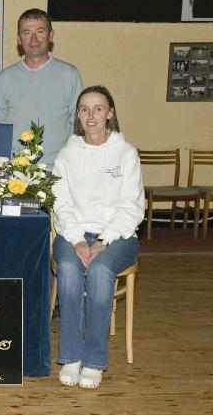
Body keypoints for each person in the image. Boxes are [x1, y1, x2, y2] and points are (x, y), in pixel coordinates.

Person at [52, 85, 144, 389]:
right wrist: (78, 239)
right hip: (74, 232)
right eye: (84, 109)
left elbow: (132, 206)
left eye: (98, 109)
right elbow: (62, 203)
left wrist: (104, 240)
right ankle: (72, 357)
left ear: (110, 113)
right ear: (78, 114)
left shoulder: (125, 153)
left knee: (102, 271)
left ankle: (93, 361)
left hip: (118, 237)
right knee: (67, 269)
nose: (91, 116)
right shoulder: (67, 154)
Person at [0, 8, 83, 167]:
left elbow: (76, 122)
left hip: (58, 169)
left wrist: (68, 160)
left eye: (40, 31)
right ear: (19, 39)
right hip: (16, 172)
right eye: (26, 33)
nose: (34, 39)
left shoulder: (69, 74)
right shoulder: (4, 78)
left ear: (51, 35)